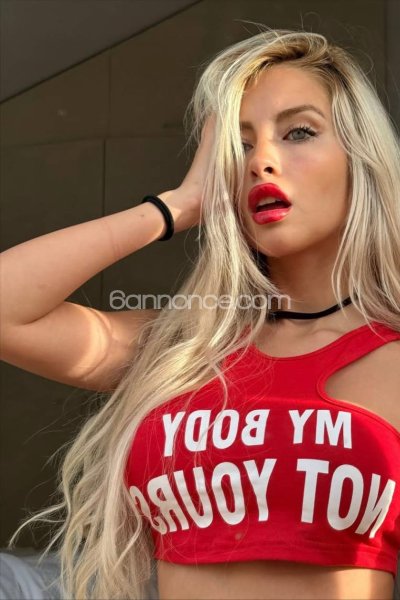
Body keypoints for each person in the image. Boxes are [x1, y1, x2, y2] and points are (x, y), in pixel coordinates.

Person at [1, 26, 399, 600]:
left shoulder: (392, 359)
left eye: (298, 132)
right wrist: (179, 204)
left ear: (360, 158)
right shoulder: (180, 353)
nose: (262, 161)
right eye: (239, 146)